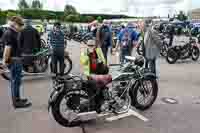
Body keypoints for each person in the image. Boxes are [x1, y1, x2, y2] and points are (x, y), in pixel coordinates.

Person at [1, 16, 32, 108]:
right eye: (20, 25)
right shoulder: (9, 33)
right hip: (14, 60)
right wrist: (5, 61)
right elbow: (7, 49)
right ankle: (16, 102)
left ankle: (18, 99)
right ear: (14, 24)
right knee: (15, 82)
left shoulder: (14, 32)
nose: (21, 27)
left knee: (17, 82)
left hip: (16, 60)